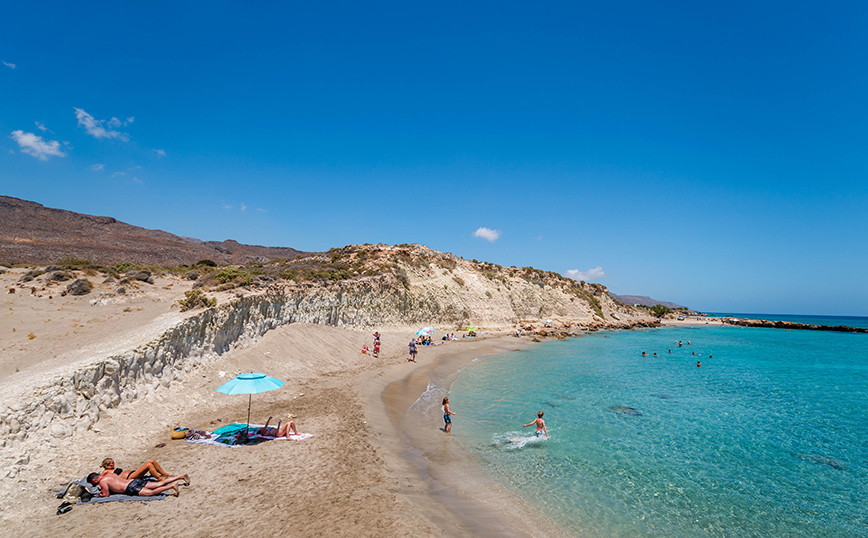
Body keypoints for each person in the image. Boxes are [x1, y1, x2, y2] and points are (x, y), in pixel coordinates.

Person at [87, 471, 189, 497]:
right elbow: (114, 483)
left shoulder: (102, 482)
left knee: (150, 493)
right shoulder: (109, 474)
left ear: (94, 480)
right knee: (159, 484)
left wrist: (100, 493)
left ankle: (172, 486)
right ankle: (181, 476)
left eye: (92, 483)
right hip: (133, 481)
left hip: (130, 487)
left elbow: (106, 494)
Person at [99, 458, 171, 481]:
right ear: (107, 465)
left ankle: (164, 474)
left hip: (132, 473)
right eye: (112, 463)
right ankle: (159, 479)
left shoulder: (112, 469)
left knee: (152, 461)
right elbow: (99, 479)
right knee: (149, 465)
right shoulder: (106, 471)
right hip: (129, 477)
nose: (114, 464)